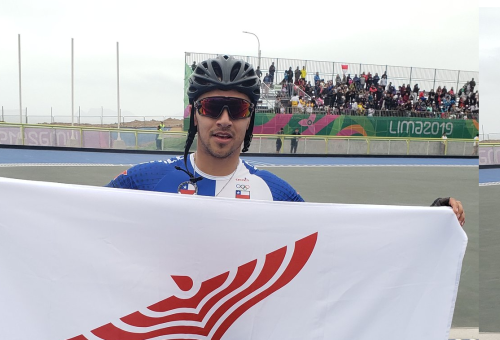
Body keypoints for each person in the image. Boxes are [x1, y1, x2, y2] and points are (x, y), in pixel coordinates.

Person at [107, 55, 465, 226]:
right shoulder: (145, 180)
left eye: (238, 108)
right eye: (213, 106)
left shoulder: (277, 193)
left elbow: (343, 248)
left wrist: (431, 222)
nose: (225, 120)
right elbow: (76, 222)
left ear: (250, 118)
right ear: (195, 113)